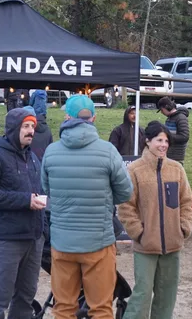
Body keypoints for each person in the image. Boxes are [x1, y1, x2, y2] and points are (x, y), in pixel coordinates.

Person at [41, 95, 133, 319]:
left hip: (62, 243)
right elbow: (125, 192)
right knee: (100, 309)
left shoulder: (51, 152)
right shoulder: (108, 151)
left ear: (66, 117)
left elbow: (47, 191)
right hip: (98, 243)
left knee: (63, 308)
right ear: (93, 117)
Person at [118, 121, 192, 319]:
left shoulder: (176, 169)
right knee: (142, 295)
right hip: (146, 246)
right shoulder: (134, 170)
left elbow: (186, 202)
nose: (163, 145)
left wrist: (184, 227)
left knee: (167, 295)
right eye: (159, 140)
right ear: (148, 141)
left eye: (166, 141)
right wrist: (138, 232)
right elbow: (125, 206)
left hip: (173, 245)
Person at [0, 108, 47, 319]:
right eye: (26, 126)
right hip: (7, 238)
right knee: (0, 298)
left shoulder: (33, 158)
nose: (31, 131)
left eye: (32, 127)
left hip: (34, 238)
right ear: (13, 129)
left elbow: (41, 191)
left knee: (25, 297)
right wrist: (25, 201)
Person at [156, 97, 190, 164]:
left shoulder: (181, 118)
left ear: (166, 107)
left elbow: (184, 137)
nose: (162, 113)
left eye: (162, 110)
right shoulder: (169, 119)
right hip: (168, 154)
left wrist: (166, 136)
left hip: (177, 156)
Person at [28, 90, 53, 161]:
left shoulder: (35, 93)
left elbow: (31, 102)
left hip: (35, 112)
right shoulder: (44, 93)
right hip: (43, 113)